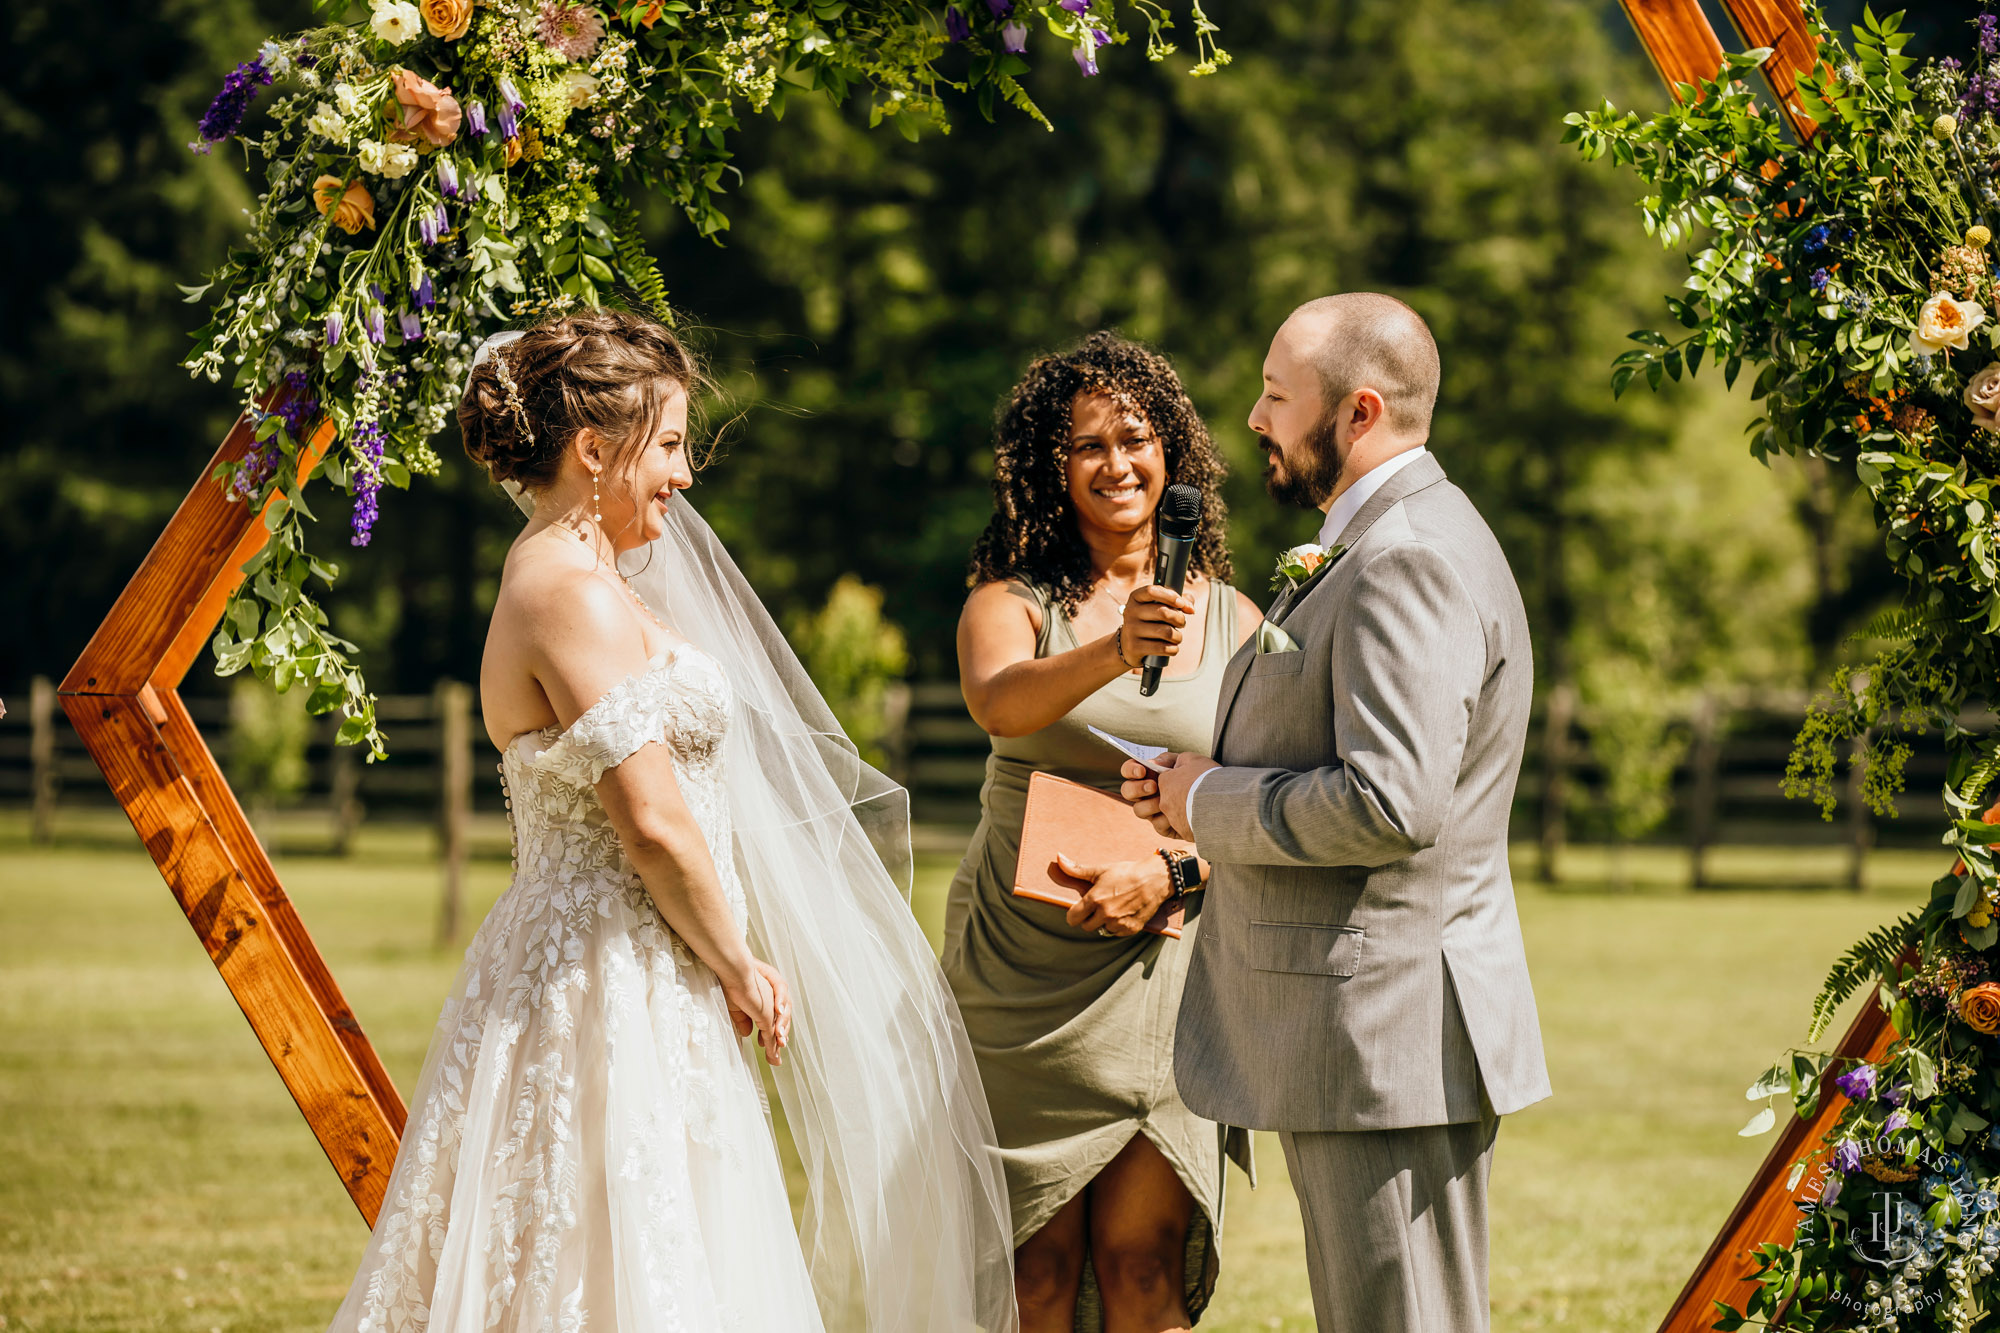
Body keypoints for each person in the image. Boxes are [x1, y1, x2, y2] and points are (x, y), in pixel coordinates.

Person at [326, 310, 1017, 1333]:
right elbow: (649, 820)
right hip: (600, 975)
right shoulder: (566, 590)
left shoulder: (596, 579)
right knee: (595, 1260)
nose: (685, 474)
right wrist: (741, 961)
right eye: (668, 446)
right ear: (592, 450)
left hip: (648, 965)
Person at [1123, 294, 1551, 1333]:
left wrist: (1201, 799)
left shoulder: (1407, 556)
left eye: (1276, 395)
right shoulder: (1388, 540)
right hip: (1375, 1036)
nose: (1255, 417)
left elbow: (1388, 799)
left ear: (1356, 413)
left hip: (1389, 1033)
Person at [946, 331, 1261, 1333]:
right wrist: (1114, 646)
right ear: (1051, 467)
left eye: (1135, 438)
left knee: (1139, 1264)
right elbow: (999, 702)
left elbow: (1268, 798)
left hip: (1159, 979)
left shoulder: (1238, 621)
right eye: (1086, 445)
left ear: (1172, 455)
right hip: (1016, 977)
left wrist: (1173, 871)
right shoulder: (1010, 600)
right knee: (1032, 1270)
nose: (1116, 463)